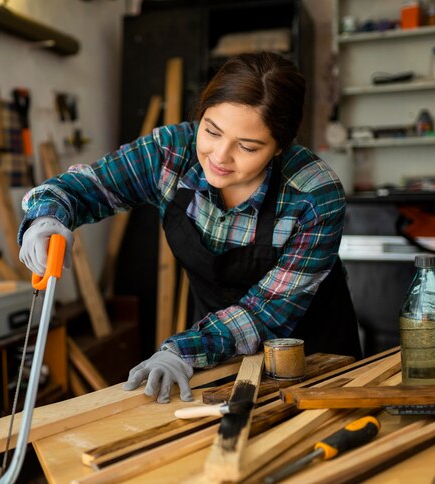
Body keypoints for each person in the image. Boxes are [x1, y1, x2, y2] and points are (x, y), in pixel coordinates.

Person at [18, 51, 362, 404]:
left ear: (279, 147)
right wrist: (47, 218)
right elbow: (84, 188)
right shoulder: (170, 153)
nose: (220, 156)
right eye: (211, 131)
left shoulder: (314, 194)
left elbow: (266, 313)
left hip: (315, 354)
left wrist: (181, 351)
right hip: (217, 349)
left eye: (247, 146)